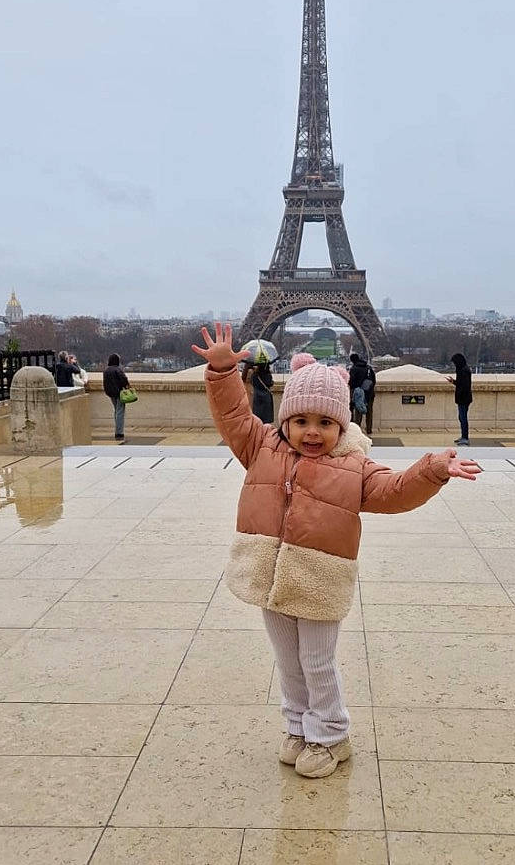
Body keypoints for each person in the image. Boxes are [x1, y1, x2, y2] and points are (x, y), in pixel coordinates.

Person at [193, 325, 480, 780]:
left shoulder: (355, 466)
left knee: (318, 662)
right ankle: (297, 727)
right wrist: (225, 369)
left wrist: (431, 469)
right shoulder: (260, 446)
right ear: (284, 420)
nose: (312, 432)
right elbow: (232, 414)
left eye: (326, 423)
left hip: (319, 579)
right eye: (302, 420)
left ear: (342, 424)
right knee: (288, 662)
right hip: (270, 575)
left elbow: (394, 491)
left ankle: (330, 736)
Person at [102, 352, 130, 441]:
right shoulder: (118, 370)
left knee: (116, 411)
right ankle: (119, 432)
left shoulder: (106, 370)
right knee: (120, 412)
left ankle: (117, 429)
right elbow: (124, 380)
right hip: (119, 392)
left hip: (110, 393)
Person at [446, 352, 473, 445]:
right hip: (464, 398)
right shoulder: (463, 369)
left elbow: (464, 386)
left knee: (463, 418)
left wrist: (460, 395)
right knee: (461, 418)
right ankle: (463, 436)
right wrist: (453, 381)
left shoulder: (464, 371)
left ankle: (465, 437)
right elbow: (461, 384)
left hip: (463, 399)